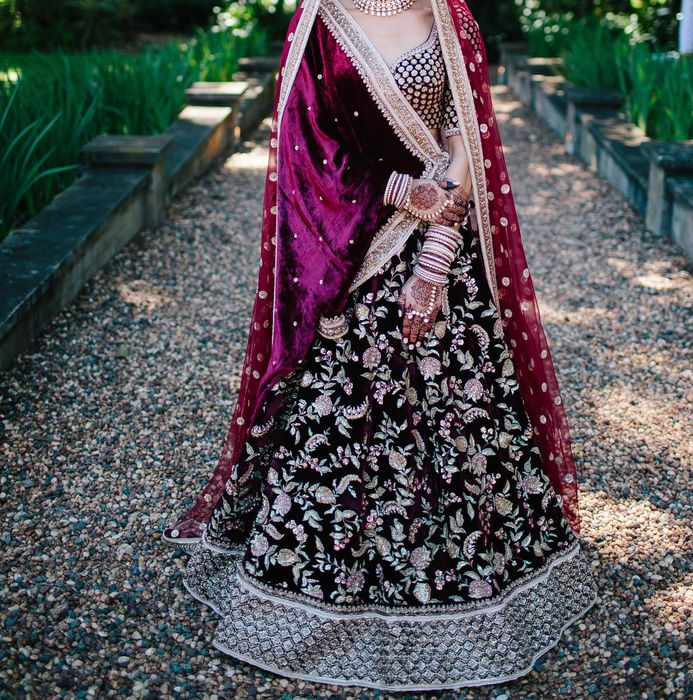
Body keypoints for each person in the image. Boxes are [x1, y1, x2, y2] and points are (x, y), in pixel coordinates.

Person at [162, 0, 598, 690]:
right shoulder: (320, 19)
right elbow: (308, 155)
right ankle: (317, 597)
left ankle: (475, 590)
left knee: (462, 418)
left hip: (437, 257)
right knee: (343, 419)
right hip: (357, 255)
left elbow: (467, 133)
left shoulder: (447, 13)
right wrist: (404, 193)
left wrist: (438, 251)